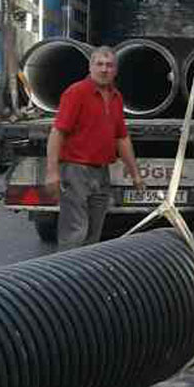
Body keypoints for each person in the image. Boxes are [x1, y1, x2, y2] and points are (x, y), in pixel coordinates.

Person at [44, 45, 146, 251]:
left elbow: (122, 139)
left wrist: (135, 175)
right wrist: (52, 172)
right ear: (90, 67)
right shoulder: (76, 93)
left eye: (109, 65)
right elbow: (57, 133)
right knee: (75, 231)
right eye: (99, 64)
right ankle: (65, 278)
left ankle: (85, 279)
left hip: (101, 173)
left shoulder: (116, 97)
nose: (104, 69)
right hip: (76, 171)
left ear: (116, 70)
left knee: (93, 233)